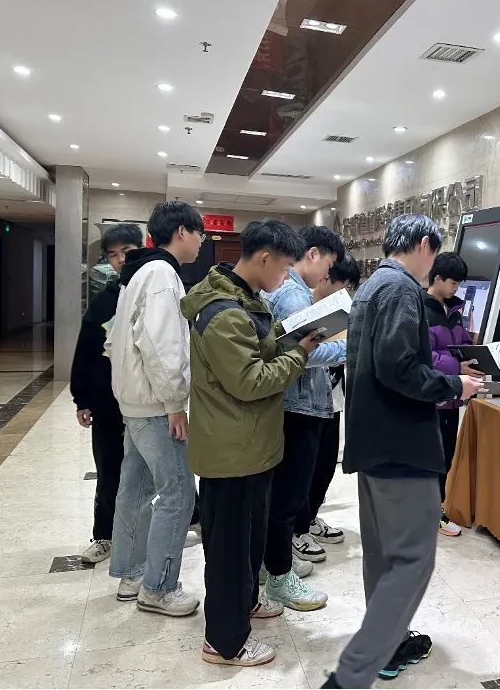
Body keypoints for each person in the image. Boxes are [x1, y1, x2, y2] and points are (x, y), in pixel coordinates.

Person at [322, 214, 483, 689]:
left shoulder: (373, 286)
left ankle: (389, 643)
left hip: (375, 441)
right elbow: (398, 367)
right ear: (422, 243)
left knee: (383, 554)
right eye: (435, 252)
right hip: (400, 445)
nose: (434, 263)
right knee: (411, 558)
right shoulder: (400, 289)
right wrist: (454, 385)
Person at [180, 219, 323, 668]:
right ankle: (224, 643)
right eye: (284, 267)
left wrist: (292, 338)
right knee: (228, 550)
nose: (286, 276)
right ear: (264, 258)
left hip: (252, 446)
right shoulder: (223, 312)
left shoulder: (248, 300)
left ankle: (246, 603)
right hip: (231, 452)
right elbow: (249, 381)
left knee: (249, 541)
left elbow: (259, 352)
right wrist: (300, 353)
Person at [105, 201, 205, 617]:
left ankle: (132, 573)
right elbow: (162, 346)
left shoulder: (139, 271)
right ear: (182, 231)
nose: (201, 242)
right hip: (154, 403)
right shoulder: (162, 273)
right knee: (177, 493)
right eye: (199, 233)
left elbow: (115, 338)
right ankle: (158, 588)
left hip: (134, 399)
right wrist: (175, 403)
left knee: (137, 487)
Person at [263, 225, 346, 612]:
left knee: (280, 494)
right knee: (289, 495)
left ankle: (273, 564)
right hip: (299, 405)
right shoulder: (294, 293)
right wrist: (346, 348)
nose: (327, 273)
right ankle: (280, 576)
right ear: (312, 254)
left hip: (289, 403)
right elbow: (304, 353)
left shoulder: (284, 289)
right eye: (328, 264)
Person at [70, 223, 143, 564]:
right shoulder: (104, 301)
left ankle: (189, 519)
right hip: (108, 403)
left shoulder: (152, 293)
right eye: (113, 255)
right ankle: (104, 536)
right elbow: (85, 350)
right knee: (109, 468)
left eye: (126, 252)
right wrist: (82, 398)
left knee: (160, 468)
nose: (119, 260)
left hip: (146, 400)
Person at [293, 254, 361, 548]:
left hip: (331, 399)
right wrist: (347, 349)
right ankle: (296, 531)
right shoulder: (300, 305)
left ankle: (309, 519)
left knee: (324, 465)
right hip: (304, 401)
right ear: (326, 278)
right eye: (342, 286)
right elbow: (305, 355)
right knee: (301, 471)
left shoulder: (339, 311)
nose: (344, 294)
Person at [424, 251, 484, 537]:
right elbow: (423, 356)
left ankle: (436, 509)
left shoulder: (455, 311)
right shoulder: (421, 310)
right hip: (430, 397)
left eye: (459, 284)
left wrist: (476, 357)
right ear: (437, 278)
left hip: (452, 396)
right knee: (429, 457)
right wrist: (456, 366)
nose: (456, 289)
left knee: (446, 455)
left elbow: (461, 345)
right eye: (453, 283)